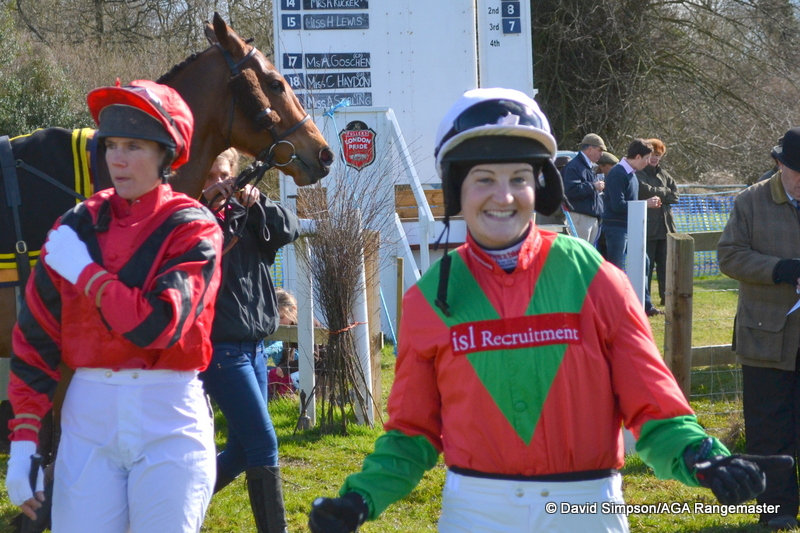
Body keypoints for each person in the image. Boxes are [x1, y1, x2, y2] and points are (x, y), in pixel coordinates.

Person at [307, 87, 792, 533]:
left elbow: (654, 407)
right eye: (484, 180)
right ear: (458, 191)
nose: (504, 196)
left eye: (519, 178)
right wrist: (359, 500)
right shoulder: (431, 298)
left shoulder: (595, 278)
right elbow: (412, 433)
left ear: (540, 188)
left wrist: (706, 458)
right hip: (475, 511)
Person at [5, 80, 223, 533]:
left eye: (135, 146)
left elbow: (158, 326)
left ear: (167, 155)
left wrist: (85, 273)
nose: (118, 159)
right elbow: (36, 338)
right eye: (111, 146)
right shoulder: (75, 224)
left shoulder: (194, 227)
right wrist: (24, 439)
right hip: (87, 416)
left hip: (169, 416)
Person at [198, 147, 300, 533]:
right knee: (263, 444)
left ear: (235, 174)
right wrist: (207, 202)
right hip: (222, 350)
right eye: (207, 177)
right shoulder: (192, 221)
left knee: (242, 451)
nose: (216, 183)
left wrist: (259, 203)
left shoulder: (246, 213)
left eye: (222, 174)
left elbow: (288, 228)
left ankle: (176, 506)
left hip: (255, 348)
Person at [718, 126, 800, 530]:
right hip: (767, 335)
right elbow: (730, 257)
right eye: (798, 171)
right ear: (779, 163)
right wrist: (780, 270)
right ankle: (777, 509)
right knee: (770, 429)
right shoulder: (749, 202)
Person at [636, 138, 678, 308]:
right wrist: (664, 192)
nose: (654, 158)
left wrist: (658, 193)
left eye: (658, 155)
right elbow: (643, 190)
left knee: (666, 267)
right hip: (648, 228)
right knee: (645, 267)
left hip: (666, 228)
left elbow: (675, 195)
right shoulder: (639, 173)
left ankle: (666, 298)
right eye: (652, 154)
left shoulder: (665, 175)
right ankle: (645, 301)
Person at [561, 133, 606, 244]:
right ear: (590, 148)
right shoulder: (574, 166)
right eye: (599, 150)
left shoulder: (588, 167)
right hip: (580, 219)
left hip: (590, 219)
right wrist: (593, 186)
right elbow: (570, 190)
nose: (601, 154)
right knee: (578, 254)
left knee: (585, 257)